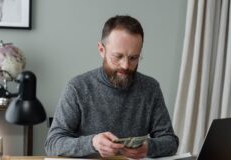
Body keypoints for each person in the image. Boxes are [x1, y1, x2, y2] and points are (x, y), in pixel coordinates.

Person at [45, 15, 179, 159]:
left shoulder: (150, 88)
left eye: (133, 58)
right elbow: (52, 144)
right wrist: (92, 143)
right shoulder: (77, 87)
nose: (126, 65)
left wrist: (149, 147)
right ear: (101, 50)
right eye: (118, 56)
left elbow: (170, 141)